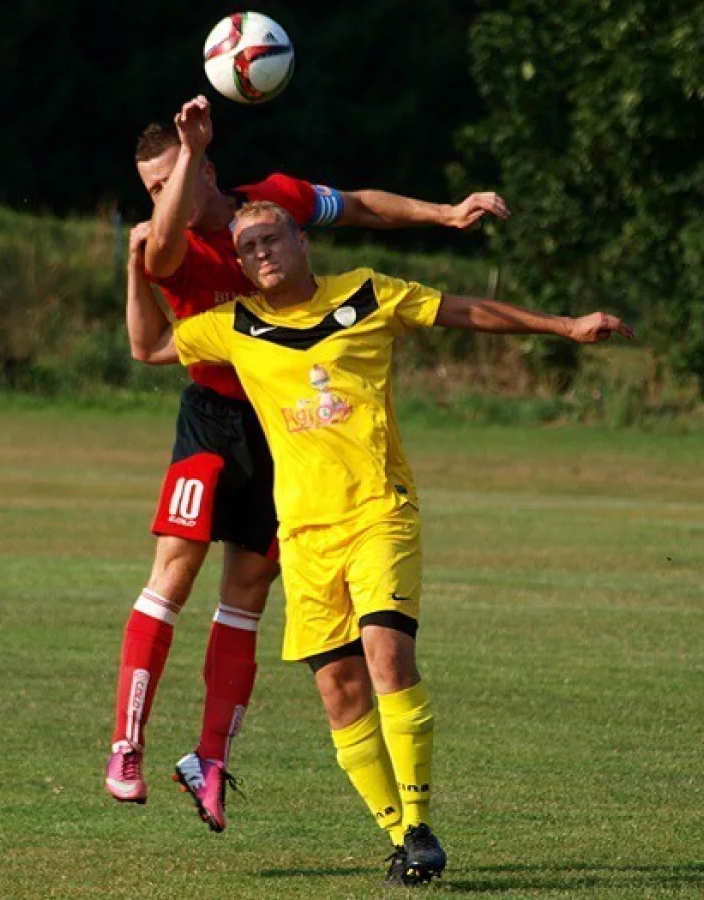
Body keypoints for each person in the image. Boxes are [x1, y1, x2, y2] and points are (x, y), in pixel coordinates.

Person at [134, 199, 634, 886]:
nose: (260, 254)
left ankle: (421, 821)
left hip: (378, 512)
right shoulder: (234, 325)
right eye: (247, 248)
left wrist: (565, 326)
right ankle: (402, 837)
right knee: (340, 693)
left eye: (271, 239)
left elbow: (462, 310)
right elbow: (148, 346)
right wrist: (139, 270)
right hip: (304, 537)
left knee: (386, 657)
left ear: (302, 241)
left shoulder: (367, 293)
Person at [108, 94, 511, 835]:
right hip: (211, 418)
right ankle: (125, 746)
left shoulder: (275, 205)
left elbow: (356, 206)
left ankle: (209, 758)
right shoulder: (170, 245)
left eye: (170, 181)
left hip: (282, 431)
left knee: (250, 591)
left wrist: (444, 213)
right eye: (151, 190)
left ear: (210, 169)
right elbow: (153, 302)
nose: (162, 200)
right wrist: (188, 156)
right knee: (176, 566)